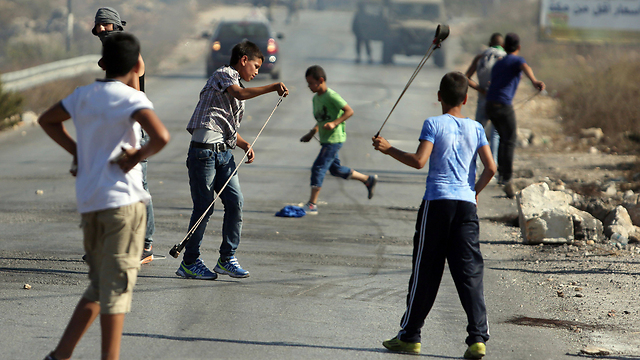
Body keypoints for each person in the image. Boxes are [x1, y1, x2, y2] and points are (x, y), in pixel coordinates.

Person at [39, 33, 170, 360]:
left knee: (101, 284)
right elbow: (161, 136)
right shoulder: (131, 98)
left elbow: (47, 120)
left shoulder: (82, 95)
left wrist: (79, 153)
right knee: (116, 291)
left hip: (91, 205)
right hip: (124, 205)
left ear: (101, 63)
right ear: (136, 65)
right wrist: (136, 156)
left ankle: (60, 356)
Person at [372, 72, 496, 358]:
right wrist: (474, 191)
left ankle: (410, 336)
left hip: (437, 203)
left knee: (426, 271)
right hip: (466, 205)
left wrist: (388, 149)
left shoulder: (433, 124)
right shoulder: (476, 127)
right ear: (466, 99)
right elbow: (491, 168)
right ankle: (477, 338)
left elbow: (419, 161)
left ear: (439, 96)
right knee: (470, 273)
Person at [178, 41, 288, 280]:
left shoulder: (234, 86)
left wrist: (244, 144)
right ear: (244, 60)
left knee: (236, 203)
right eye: (256, 66)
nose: (257, 72)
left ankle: (227, 258)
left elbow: (224, 126)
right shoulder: (224, 74)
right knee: (204, 208)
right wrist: (271, 87)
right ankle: (189, 262)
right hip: (203, 153)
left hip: (223, 153)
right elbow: (239, 93)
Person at [92, 7, 155, 264]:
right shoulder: (112, 52)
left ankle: (146, 245)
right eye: (99, 26)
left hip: (132, 125)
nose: (102, 30)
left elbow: (135, 85)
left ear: (117, 26)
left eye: (107, 25)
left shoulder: (128, 50)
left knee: (138, 186)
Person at [300, 65, 377, 214]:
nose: (309, 86)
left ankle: (312, 204)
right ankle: (367, 180)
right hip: (325, 139)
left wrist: (335, 123)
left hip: (334, 139)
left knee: (319, 167)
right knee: (335, 170)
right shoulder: (316, 98)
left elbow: (349, 111)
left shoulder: (331, 96)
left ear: (320, 80)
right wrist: (312, 133)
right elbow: (322, 119)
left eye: (311, 83)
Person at [485, 33, 545, 190]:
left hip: (490, 105)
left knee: (503, 138)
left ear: (504, 47)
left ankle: (501, 175)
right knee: (509, 140)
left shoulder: (499, 63)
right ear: (518, 47)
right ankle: (507, 177)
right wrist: (534, 81)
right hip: (503, 105)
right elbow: (524, 66)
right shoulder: (517, 60)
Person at [465, 32, 505, 166]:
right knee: (495, 134)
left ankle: (473, 166)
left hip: (483, 98)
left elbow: (466, 78)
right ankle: (492, 167)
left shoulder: (481, 56)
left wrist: (480, 89)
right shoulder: (505, 58)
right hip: (498, 100)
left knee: (478, 132)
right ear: (502, 44)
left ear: (489, 43)